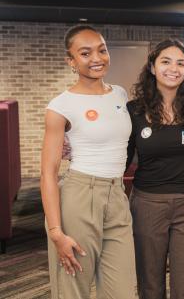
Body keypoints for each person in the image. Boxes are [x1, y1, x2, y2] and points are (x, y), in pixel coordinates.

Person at [40, 25, 136, 298]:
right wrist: (56, 231)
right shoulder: (60, 106)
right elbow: (48, 173)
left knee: (122, 292)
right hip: (79, 197)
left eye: (102, 50)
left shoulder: (119, 94)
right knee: (74, 290)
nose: (97, 58)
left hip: (117, 196)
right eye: (85, 53)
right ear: (71, 61)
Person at [126, 38, 184, 299]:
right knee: (150, 281)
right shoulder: (134, 110)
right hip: (147, 203)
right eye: (165, 61)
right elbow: (120, 157)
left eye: (181, 63)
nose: (173, 68)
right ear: (153, 67)